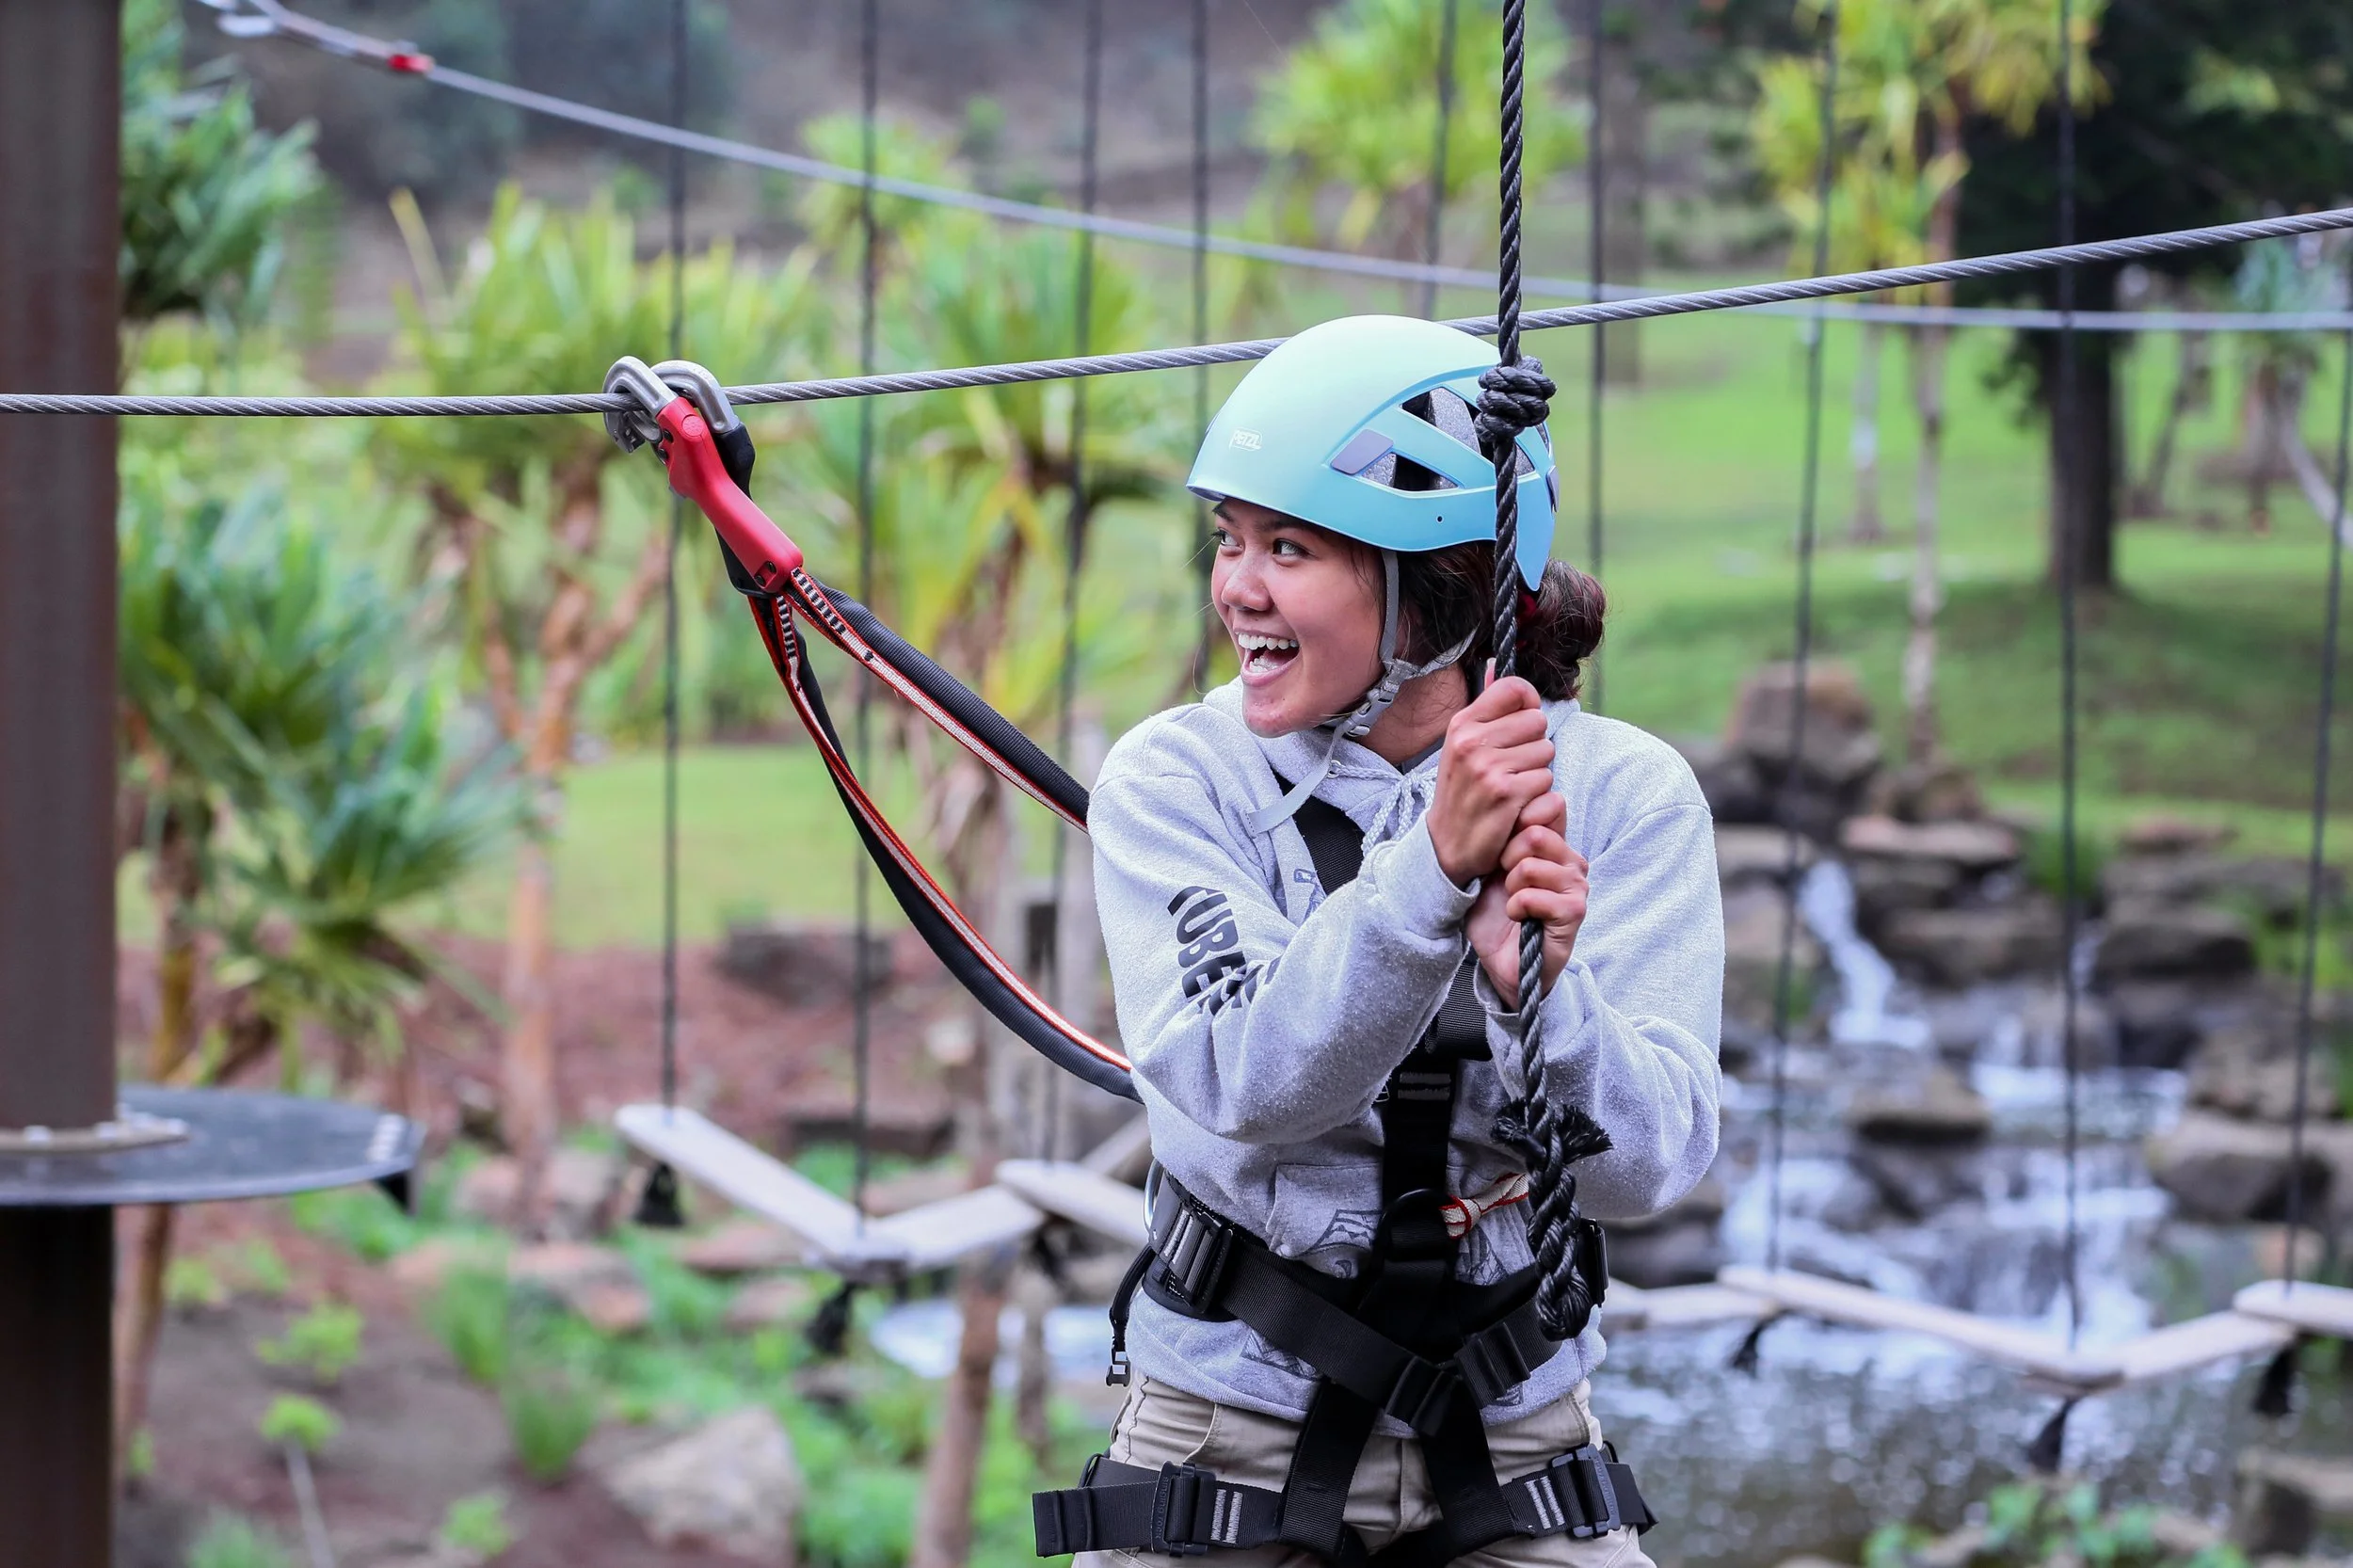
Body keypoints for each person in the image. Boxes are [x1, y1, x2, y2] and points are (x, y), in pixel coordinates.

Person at [1033, 314, 1723, 1568]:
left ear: (1435, 589)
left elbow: (1653, 1165)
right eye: (1229, 541)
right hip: (1225, 1428)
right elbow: (1245, 1082)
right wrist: (1428, 879)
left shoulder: (1624, 794)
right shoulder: (1180, 782)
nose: (1237, 586)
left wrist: (1545, 1008)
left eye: (1288, 547)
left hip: (1517, 1433)